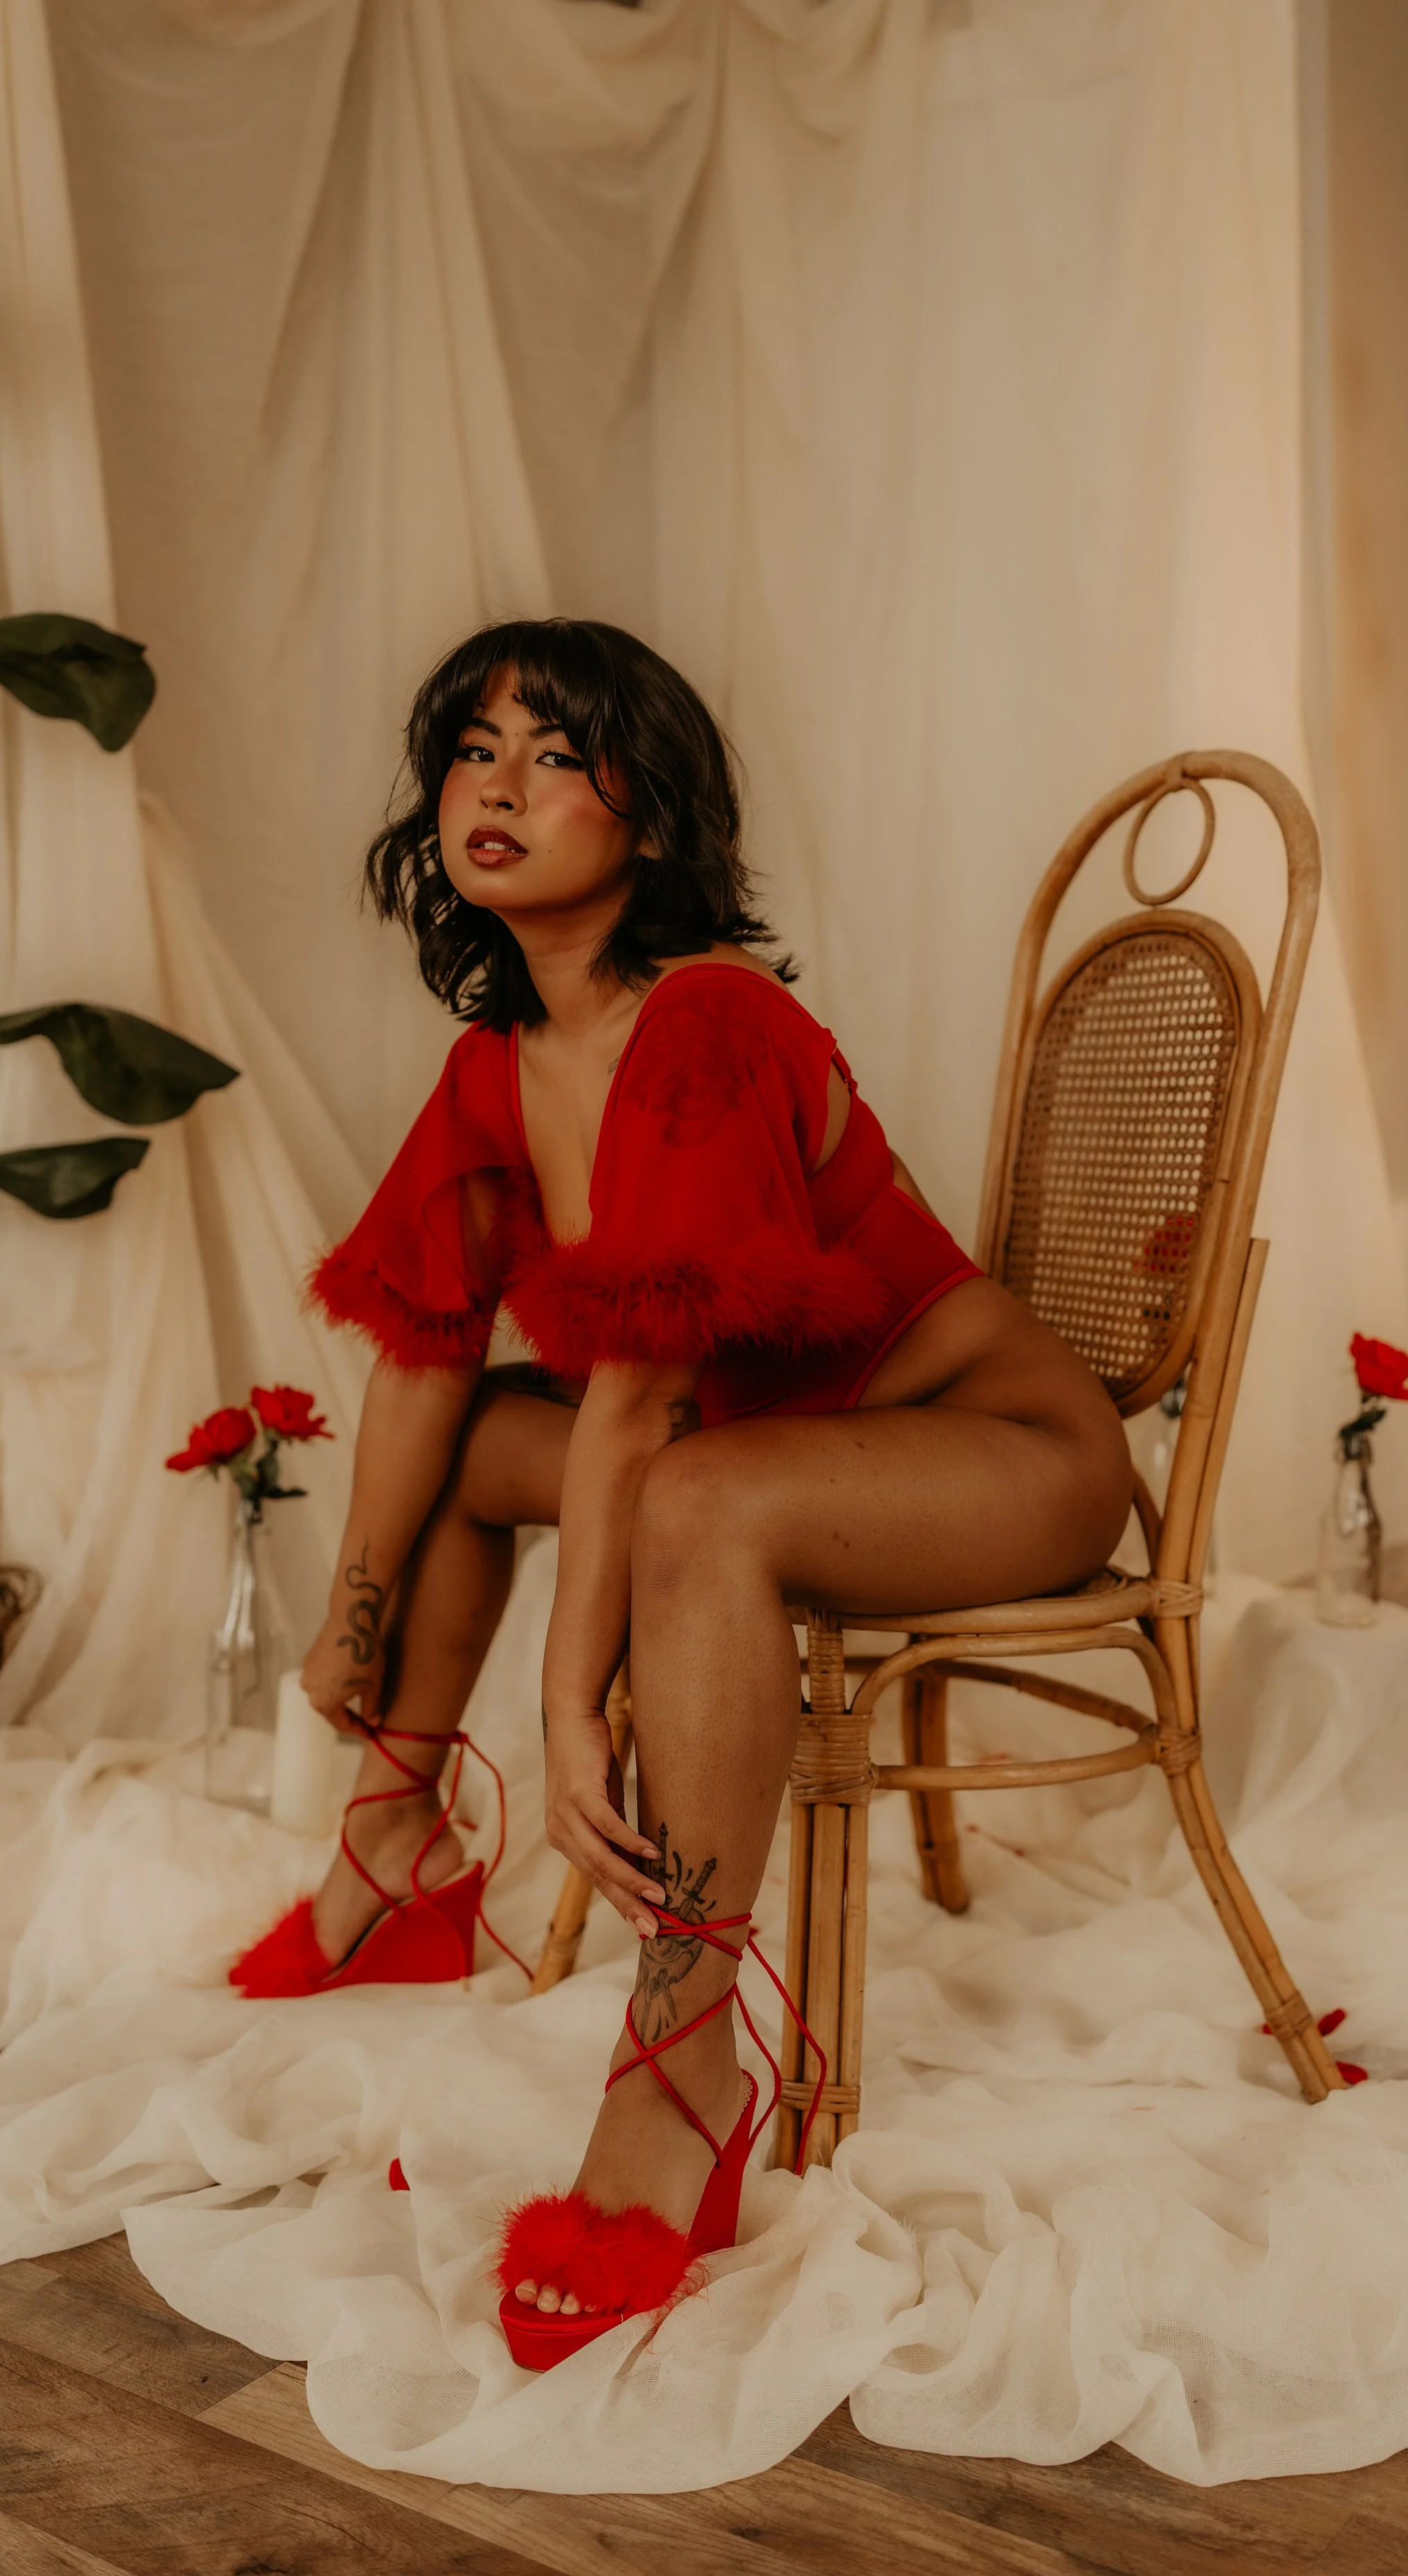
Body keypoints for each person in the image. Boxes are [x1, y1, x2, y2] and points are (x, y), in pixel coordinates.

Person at [228, 618, 1131, 2368]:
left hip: (1004, 1455)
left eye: (557, 755)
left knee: (699, 1498)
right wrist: (342, 1627)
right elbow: (423, 1354)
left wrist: (570, 1715)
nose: (498, 784)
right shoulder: (500, 1058)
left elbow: (642, 1401)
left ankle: (680, 2058)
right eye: (474, 749)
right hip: (765, 1465)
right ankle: (396, 1845)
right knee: (494, 1421)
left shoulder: (707, 1021)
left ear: (649, 818)